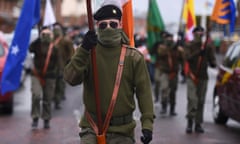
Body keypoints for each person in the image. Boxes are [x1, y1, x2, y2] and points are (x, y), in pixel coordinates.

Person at [64, 4, 154, 144]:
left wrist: (147, 124)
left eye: (113, 24)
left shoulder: (133, 57)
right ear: (97, 27)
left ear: (120, 25)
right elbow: (70, 79)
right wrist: (84, 49)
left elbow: (144, 92)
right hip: (92, 128)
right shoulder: (89, 53)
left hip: (123, 130)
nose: (108, 28)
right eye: (103, 25)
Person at [184, 26, 216, 134]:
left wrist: (212, 61)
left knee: (201, 101)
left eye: (202, 31)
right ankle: (190, 122)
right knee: (192, 99)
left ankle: (198, 123)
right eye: (198, 32)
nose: (200, 33)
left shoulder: (207, 46)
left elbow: (212, 60)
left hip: (203, 77)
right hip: (192, 76)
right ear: (194, 33)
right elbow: (187, 57)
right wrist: (199, 52)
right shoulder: (189, 45)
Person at [29, 27, 58, 129]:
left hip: (50, 76)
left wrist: (58, 74)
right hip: (36, 74)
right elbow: (30, 48)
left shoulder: (54, 47)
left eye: (47, 34)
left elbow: (58, 62)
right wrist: (37, 39)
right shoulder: (37, 44)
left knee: (47, 98)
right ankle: (35, 118)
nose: (45, 36)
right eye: (43, 34)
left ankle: (46, 119)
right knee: (36, 95)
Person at [154, 32, 184, 115]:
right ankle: (164, 106)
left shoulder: (178, 49)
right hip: (164, 72)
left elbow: (182, 58)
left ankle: (172, 109)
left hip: (174, 73)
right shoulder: (162, 47)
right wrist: (171, 47)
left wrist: (179, 46)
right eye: (167, 38)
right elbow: (161, 53)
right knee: (164, 89)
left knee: (173, 91)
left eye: (171, 38)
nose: (169, 40)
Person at [52, 22, 74, 109]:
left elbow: (71, 52)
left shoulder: (65, 41)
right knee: (53, 84)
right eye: (55, 30)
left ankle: (57, 100)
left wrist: (69, 62)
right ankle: (54, 98)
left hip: (61, 66)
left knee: (60, 84)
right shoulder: (51, 41)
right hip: (52, 67)